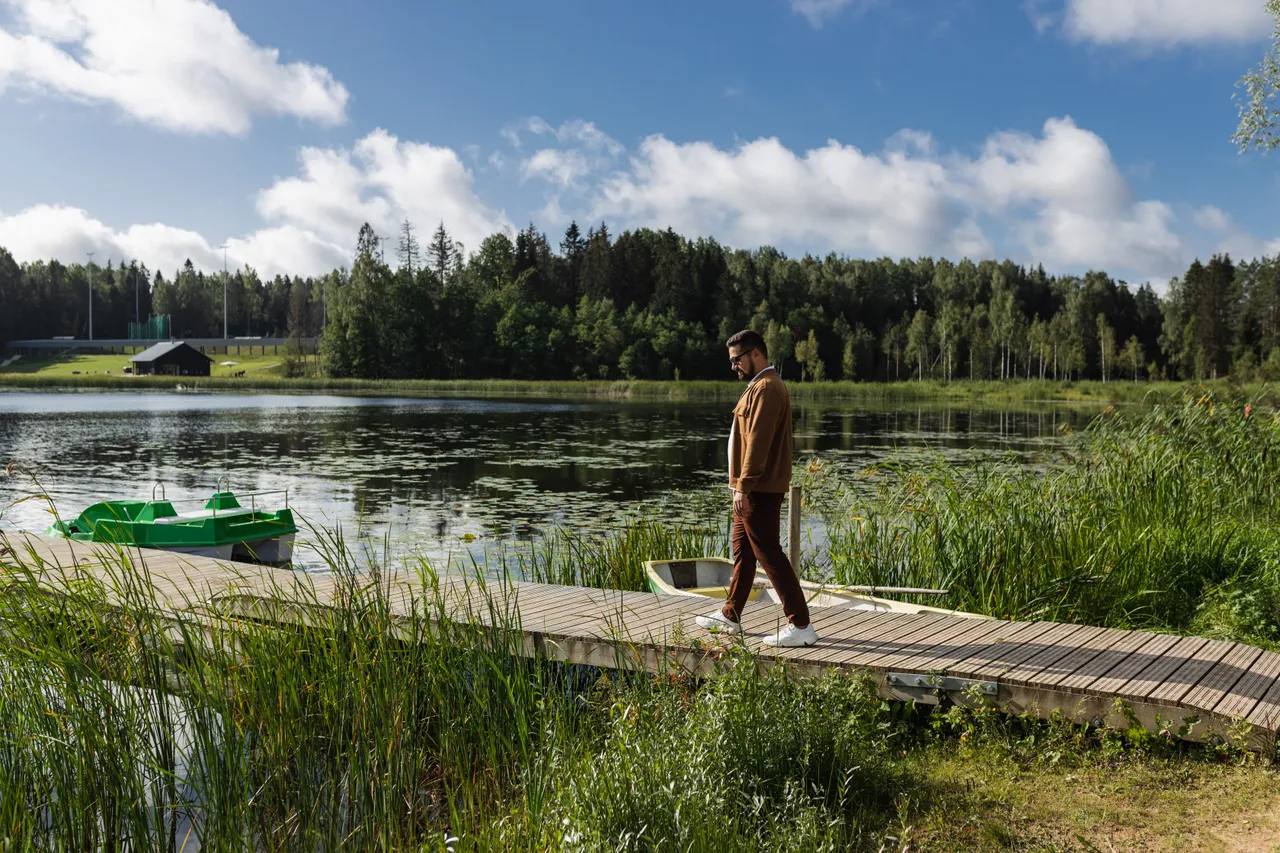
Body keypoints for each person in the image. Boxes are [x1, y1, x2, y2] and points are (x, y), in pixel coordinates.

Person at [695, 330, 819, 648]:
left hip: (758, 490)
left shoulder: (767, 388)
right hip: (747, 488)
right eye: (732, 360)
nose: (734, 366)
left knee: (768, 554)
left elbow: (758, 445)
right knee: (743, 552)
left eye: (737, 359)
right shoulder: (756, 387)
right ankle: (730, 615)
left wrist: (744, 487)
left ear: (756, 355)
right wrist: (739, 485)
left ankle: (801, 625)